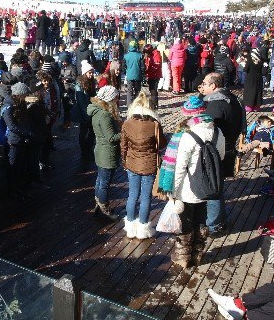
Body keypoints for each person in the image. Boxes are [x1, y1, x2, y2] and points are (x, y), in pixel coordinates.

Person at [171, 106, 225, 268]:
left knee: (186, 222)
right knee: (201, 221)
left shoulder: (189, 136)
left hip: (187, 189)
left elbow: (180, 167)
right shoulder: (218, 132)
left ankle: (183, 258)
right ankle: (198, 255)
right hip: (207, 187)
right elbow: (220, 157)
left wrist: (173, 192)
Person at [200, 72, 245, 233]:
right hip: (229, 147)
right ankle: (220, 219)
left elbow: (207, 132)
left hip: (217, 152)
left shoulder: (216, 105)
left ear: (213, 86)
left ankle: (213, 225)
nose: (202, 86)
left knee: (213, 190)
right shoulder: (233, 98)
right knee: (218, 187)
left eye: (204, 83)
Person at [120, 91, 166, 239]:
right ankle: (143, 228)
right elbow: (162, 144)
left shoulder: (127, 123)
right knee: (145, 197)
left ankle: (131, 227)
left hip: (132, 163)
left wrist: (124, 162)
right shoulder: (154, 124)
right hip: (149, 164)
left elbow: (123, 146)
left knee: (132, 195)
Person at [87, 85, 121, 221]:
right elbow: (111, 138)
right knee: (104, 183)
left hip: (101, 151)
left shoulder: (98, 111)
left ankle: (98, 204)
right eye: (116, 97)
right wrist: (125, 132)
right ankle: (104, 208)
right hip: (107, 153)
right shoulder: (105, 115)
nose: (118, 100)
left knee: (100, 180)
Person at [74, 60, 97, 160]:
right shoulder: (79, 84)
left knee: (92, 130)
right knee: (83, 131)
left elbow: (93, 96)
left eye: (92, 72)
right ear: (85, 73)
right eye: (89, 72)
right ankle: (84, 149)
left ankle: (88, 147)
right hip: (82, 110)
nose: (91, 74)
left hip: (91, 109)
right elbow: (80, 100)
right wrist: (86, 112)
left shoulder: (91, 82)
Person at [122, 40, 145, 108]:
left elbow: (123, 67)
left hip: (129, 76)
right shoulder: (140, 55)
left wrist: (126, 72)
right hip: (138, 76)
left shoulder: (126, 56)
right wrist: (143, 75)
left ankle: (130, 106)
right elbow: (143, 67)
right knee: (137, 91)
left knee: (130, 92)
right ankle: (137, 105)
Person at [242, 47, 264, 112]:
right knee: (258, 92)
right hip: (259, 78)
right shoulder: (261, 60)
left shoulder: (249, 60)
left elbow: (245, 69)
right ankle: (257, 107)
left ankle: (249, 106)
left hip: (250, 78)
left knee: (249, 92)